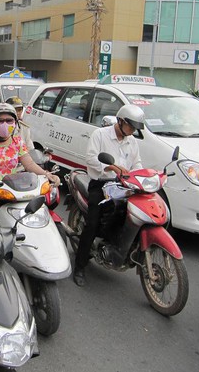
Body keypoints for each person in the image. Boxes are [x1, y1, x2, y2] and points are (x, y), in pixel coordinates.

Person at [73, 104, 144, 287]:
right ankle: (80, 266)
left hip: (124, 185)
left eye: (135, 128)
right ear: (120, 121)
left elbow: (137, 164)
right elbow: (90, 158)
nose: (132, 131)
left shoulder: (132, 141)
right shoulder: (100, 135)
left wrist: (139, 176)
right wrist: (111, 167)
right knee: (92, 224)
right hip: (102, 183)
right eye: (131, 126)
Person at [0, 103, 60, 222]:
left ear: (15, 123)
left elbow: (29, 164)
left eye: (9, 120)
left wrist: (46, 174)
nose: (5, 124)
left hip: (15, 194)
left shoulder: (17, 141)